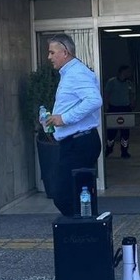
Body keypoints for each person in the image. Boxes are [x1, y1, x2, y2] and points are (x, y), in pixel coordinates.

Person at [44, 33, 103, 217]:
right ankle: (83, 226)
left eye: (52, 52)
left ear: (65, 52)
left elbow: (94, 100)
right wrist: (54, 119)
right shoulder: (70, 73)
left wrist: (64, 119)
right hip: (75, 142)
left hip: (79, 142)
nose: (49, 57)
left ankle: (81, 228)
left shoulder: (76, 73)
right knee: (77, 195)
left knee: (63, 195)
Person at [103, 65, 135, 158]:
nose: (129, 74)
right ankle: (109, 148)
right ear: (122, 72)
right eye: (127, 72)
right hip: (114, 108)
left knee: (125, 133)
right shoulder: (112, 82)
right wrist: (106, 105)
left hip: (125, 108)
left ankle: (124, 151)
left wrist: (132, 103)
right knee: (111, 132)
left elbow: (132, 94)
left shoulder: (129, 83)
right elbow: (106, 94)